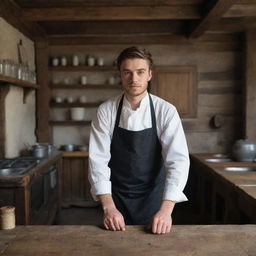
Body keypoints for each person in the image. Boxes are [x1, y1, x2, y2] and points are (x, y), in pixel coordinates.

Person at [88, 46, 189, 234]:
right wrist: (108, 207)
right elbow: (98, 161)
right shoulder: (106, 111)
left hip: (155, 199)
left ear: (150, 74)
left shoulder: (165, 111)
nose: (134, 79)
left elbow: (178, 162)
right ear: (119, 74)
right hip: (115, 198)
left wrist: (166, 211)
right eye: (127, 72)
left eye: (140, 72)